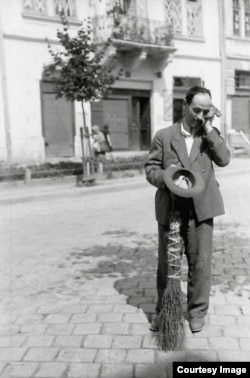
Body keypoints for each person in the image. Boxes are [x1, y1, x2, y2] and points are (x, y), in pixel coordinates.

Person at [145, 86, 230, 333]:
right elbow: (150, 169)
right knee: (167, 264)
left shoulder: (209, 135)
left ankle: (197, 312)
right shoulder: (164, 135)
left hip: (201, 210)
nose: (200, 115)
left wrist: (210, 129)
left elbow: (224, 159)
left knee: (200, 263)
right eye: (196, 110)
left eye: (206, 111)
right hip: (171, 208)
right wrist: (170, 179)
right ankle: (165, 310)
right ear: (185, 106)